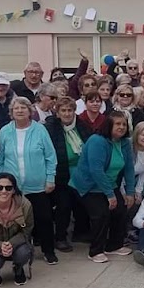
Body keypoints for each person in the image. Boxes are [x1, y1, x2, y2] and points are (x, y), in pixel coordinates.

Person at [0, 96, 59, 265]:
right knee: (14, 222)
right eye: (16, 108)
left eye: (24, 107)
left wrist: (50, 178)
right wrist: (0, 183)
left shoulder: (40, 130)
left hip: (37, 185)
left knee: (43, 219)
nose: (20, 110)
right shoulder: (5, 131)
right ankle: (17, 253)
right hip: (12, 188)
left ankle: (48, 251)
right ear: (11, 112)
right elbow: (0, 158)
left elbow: (50, 156)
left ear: (30, 111)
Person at [69, 111, 136, 263]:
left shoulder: (125, 143)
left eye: (124, 124)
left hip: (109, 184)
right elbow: (96, 170)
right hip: (89, 185)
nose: (121, 127)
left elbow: (129, 168)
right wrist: (110, 195)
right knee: (101, 214)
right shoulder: (97, 141)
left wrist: (130, 192)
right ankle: (95, 251)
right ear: (109, 125)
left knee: (120, 210)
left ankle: (114, 245)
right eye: (118, 124)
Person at [44, 96, 92, 251]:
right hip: (61, 173)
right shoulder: (51, 128)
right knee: (64, 206)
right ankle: (60, 237)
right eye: (63, 110)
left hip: (81, 172)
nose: (66, 114)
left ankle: (80, 232)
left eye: (70, 110)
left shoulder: (82, 126)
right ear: (57, 112)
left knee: (81, 204)